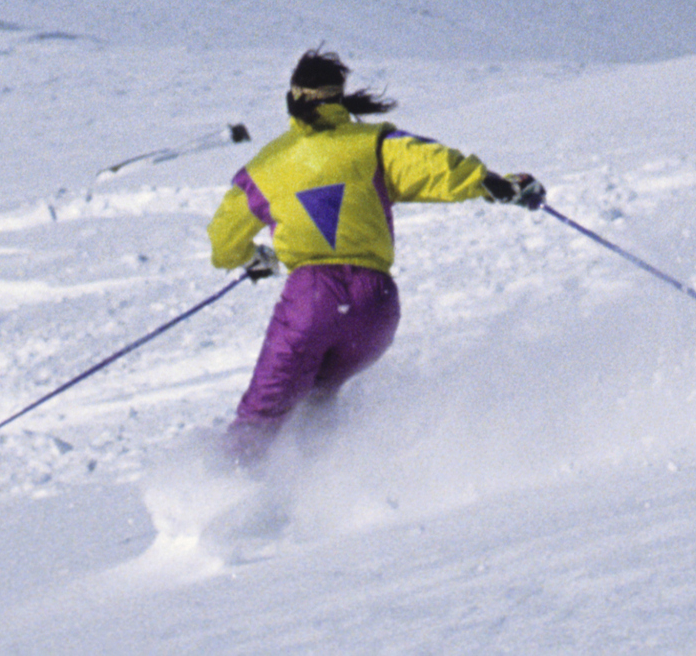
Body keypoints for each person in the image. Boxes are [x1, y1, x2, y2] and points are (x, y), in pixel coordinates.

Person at [208, 46, 543, 454]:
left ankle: (225, 487)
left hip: (311, 299)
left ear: (291, 101)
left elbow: (223, 241)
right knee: (319, 403)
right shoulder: (375, 143)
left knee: (265, 409)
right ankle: (321, 485)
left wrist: (251, 259)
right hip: (376, 306)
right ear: (338, 98)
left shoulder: (267, 165)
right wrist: (495, 184)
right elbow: (432, 163)